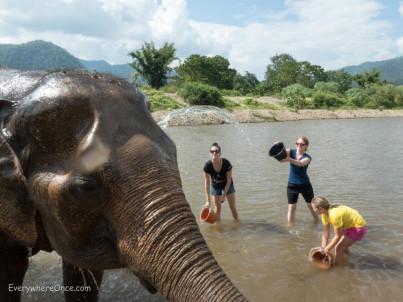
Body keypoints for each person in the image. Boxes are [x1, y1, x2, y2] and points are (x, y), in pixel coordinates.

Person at [311, 196, 367, 266]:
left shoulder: (334, 215)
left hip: (358, 227)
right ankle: (350, 257)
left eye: (313, 208)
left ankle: (340, 269)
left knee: (338, 248)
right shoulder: (324, 214)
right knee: (343, 246)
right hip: (348, 225)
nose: (312, 209)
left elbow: (338, 235)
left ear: (320, 208)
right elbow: (326, 232)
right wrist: (323, 247)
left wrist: (326, 250)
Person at [280, 136, 318, 226]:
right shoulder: (291, 152)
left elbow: (300, 164)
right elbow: (281, 159)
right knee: (291, 207)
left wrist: (289, 159)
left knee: (311, 206)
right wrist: (278, 147)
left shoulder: (308, 157)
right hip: (292, 185)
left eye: (302, 144)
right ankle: (290, 226)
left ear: (306, 146)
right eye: (297, 143)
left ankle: (317, 222)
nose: (299, 146)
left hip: (305, 185)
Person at [203, 142, 238, 222]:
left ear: (220, 153)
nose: (214, 153)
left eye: (217, 151)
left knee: (232, 207)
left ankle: (237, 224)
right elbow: (207, 184)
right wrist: (207, 201)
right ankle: (218, 229)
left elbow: (229, 180)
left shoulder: (226, 163)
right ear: (210, 153)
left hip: (228, 185)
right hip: (216, 186)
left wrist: (224, 195)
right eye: (212, 151)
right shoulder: (207, 166)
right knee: (217, 208)